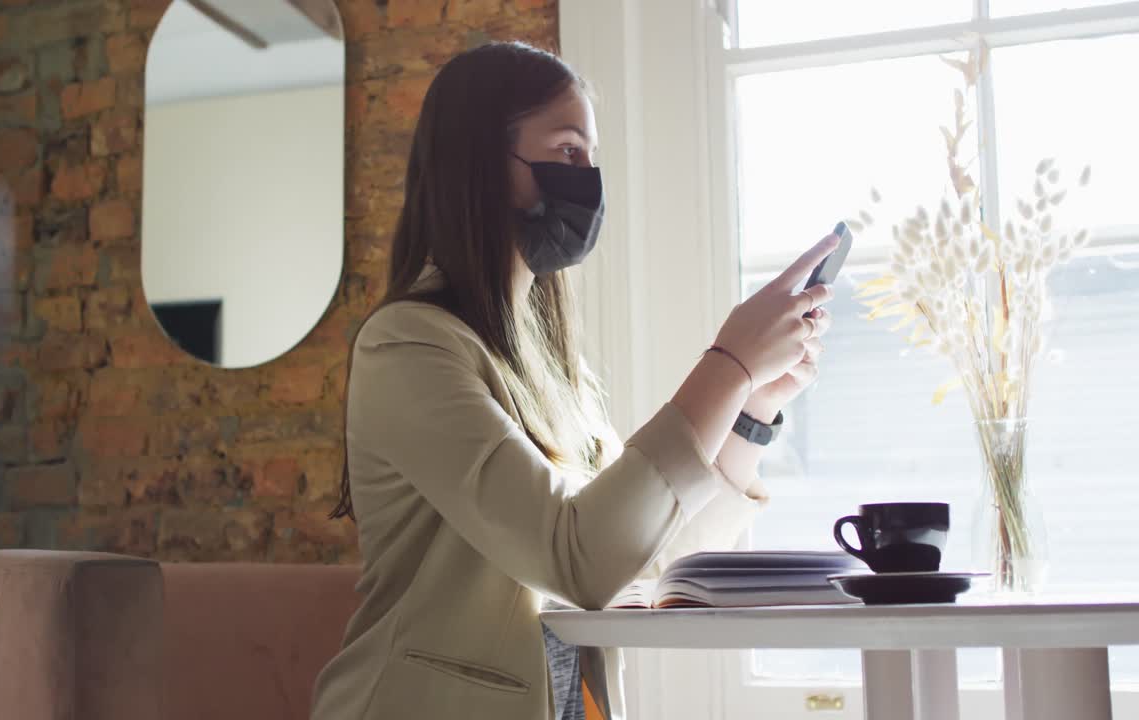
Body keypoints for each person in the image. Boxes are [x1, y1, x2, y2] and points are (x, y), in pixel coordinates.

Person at [310, 41, 836, 720]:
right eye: (566, 151)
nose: (588, 179)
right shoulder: (406, 347)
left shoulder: (558, 372)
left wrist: (750, 410)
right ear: (478, 161)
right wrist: (728, 363)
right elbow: (576, 559)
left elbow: (639, 561)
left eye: (590, 156)